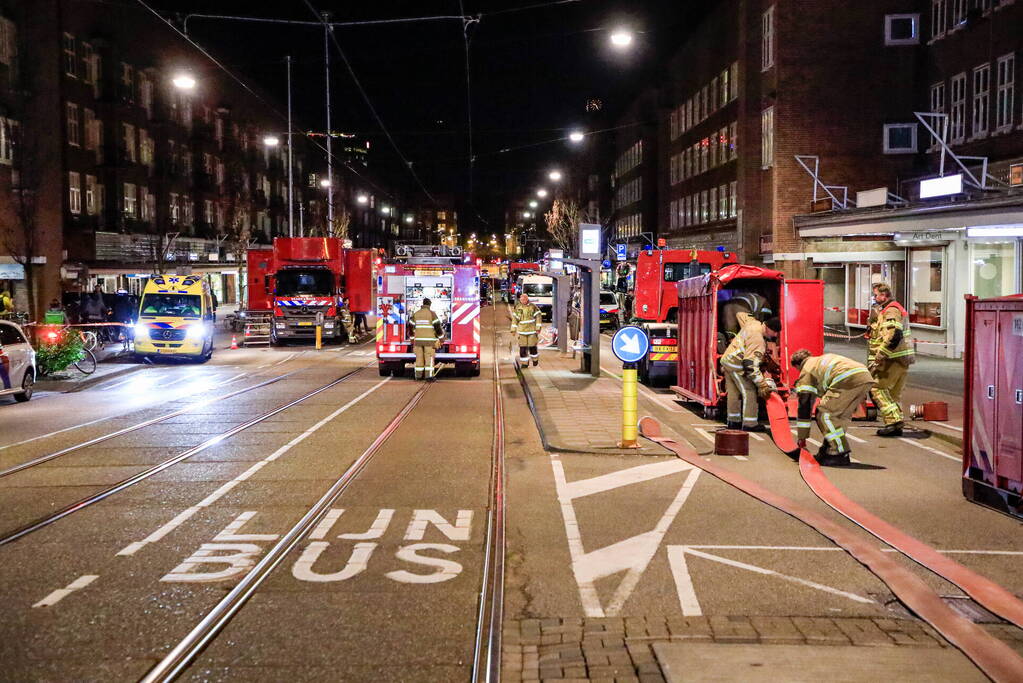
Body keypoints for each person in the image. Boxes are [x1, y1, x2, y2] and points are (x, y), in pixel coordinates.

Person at [790, 349, 876, 467]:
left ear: (797, 365)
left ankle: (839, 452)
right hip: (864, 377)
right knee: (839, 416)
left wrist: (802, 437)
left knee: (824, 414)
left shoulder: (806, 369)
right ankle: (829, 449)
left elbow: (805, 404)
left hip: (847, 379)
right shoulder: (819, 361)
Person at [867, 282, 915, 437]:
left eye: (876, 295)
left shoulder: (891, 310)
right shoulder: (889, 309)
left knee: (877, 388)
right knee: (893, 393)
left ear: (884, 295)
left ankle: (893, 421)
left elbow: (894, 335)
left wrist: (881, 355)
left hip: (891, 358)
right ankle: (895, 424)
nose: (874, 298)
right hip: (901, 358)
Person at [720, 313, 781, 431]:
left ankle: (733, 422)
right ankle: (750, 423)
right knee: (750, 391)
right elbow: (750, 366)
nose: (775, 335)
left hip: (727, 361)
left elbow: (740, 314)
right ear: (768, 328)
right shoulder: (758, 340)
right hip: (737, 366)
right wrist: (762, 384)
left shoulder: (753, 324)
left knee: (734, 393)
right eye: (775, 332)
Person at [408, 298, 443, 380]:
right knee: (429, 358)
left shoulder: (416, 314)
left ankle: (418, 376)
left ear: (423, 304)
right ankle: (429, 376)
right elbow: (437, 327)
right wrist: (441, 339)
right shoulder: (432, 314)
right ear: (429, 305)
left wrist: (412, 339)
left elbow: (410, 327)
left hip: (418, 341)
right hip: (429, 342)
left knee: (419, 359)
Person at [511, 293, 543, 367]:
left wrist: (538, 328)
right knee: (522, 348)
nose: (523, 301)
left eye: (524, 299)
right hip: (522, 332)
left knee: (532, 347)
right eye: (522, 300)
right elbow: (515, 319)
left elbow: (538, 316)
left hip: (532, 331)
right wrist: (513, 330)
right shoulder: (518, 308)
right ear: (520, 300)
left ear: (527, 299)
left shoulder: (533, 307)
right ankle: (524, 364)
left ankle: (535, 360)